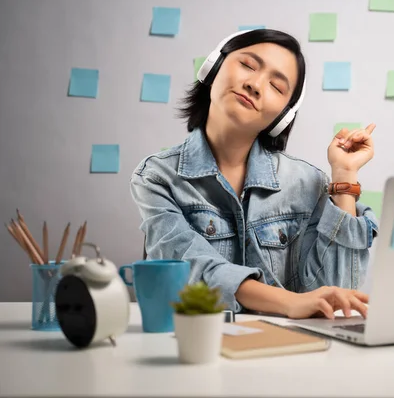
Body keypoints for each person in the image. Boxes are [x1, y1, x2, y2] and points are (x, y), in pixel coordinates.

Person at [129, 28, 379, 320]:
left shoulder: (307, 184)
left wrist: (344, 175)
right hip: (197, 346)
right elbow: (189, 267)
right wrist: (288, 302)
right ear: (212, 68)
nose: (256, 85)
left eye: (277, 86)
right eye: (248, 65)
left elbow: (338, 294)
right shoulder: (157, 177)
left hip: (289, 353)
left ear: (282, 116)